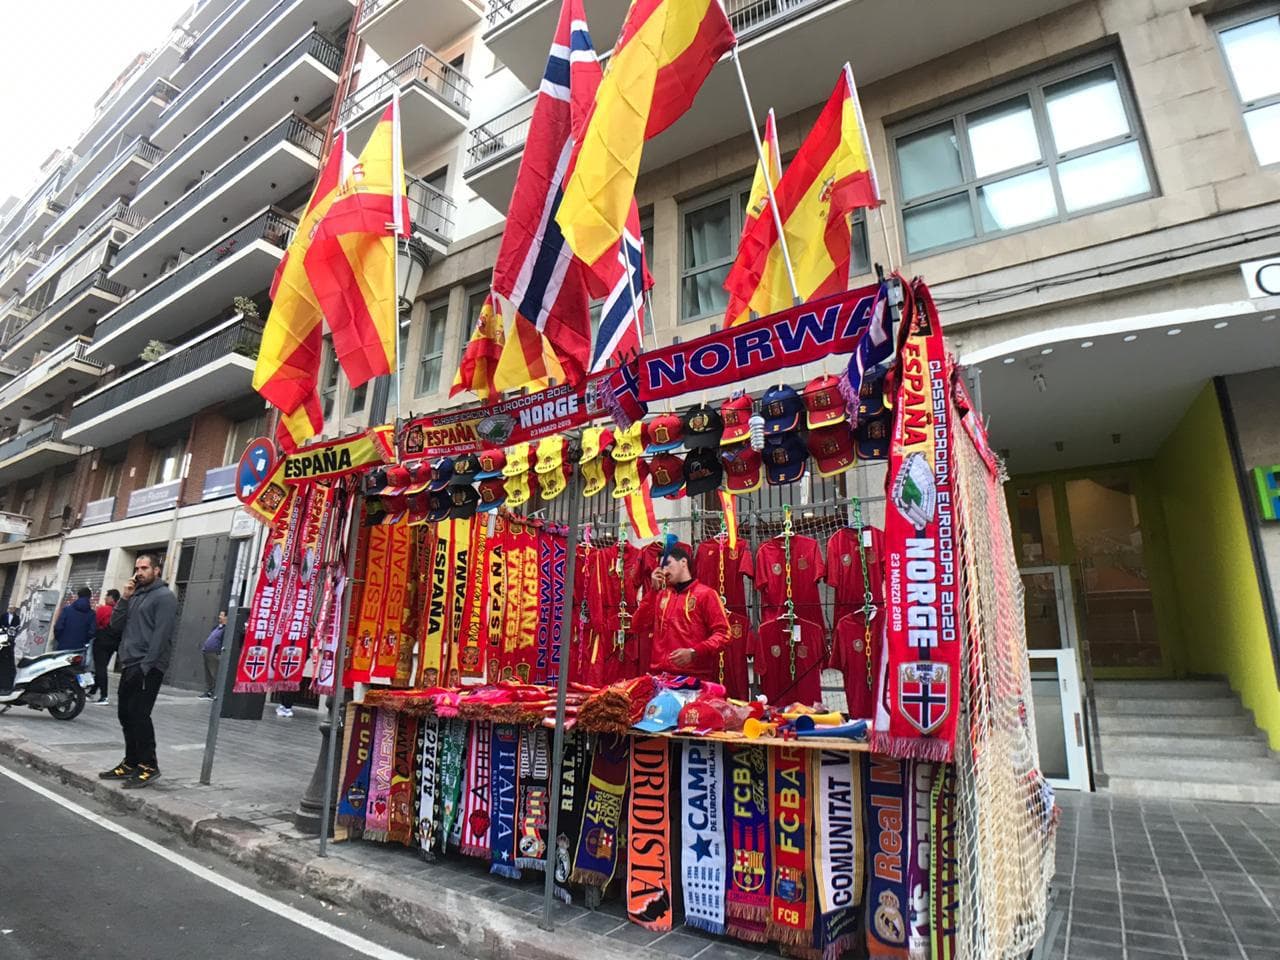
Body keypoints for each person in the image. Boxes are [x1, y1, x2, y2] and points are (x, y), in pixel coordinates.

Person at [99, 554, 177, 789]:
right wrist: (124, 597)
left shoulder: (165, 597)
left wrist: (146, 666)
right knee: (125, 714)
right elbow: (115, 625)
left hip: (148, 666)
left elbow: (161, 635)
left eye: (145, 568)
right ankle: (131, 762)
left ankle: (149, 766)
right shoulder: (135, 595)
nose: (140, 572)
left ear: (156, 570)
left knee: (139, 715)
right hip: (129, 662)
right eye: (137, 568)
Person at [634, 542, 731, 682]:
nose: (664, 571)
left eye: (668, 564)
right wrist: (653, 591)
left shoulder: (706, 594)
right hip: (661, 677)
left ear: (683, 562)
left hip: (694, 678)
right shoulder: (660, 595)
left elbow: (724, 634)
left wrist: (695, 652)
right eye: (661, 567)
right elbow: (637, 625)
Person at [90, 589, 121, 705]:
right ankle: (92, 691)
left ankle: (104, 696)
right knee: (102, 667)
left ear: (111, 598)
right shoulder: (119, 610)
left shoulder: (104, 609)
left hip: (101, 640)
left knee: (100, 668)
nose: (105, 598)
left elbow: (96, 623)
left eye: (107, 596)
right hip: (113, 643)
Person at [53, 587, 96, 653]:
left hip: (63, 646)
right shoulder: (91, 614)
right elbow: (92, 632)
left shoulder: (66, 610)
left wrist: (60, 639)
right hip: (79, 649)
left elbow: (58, 627)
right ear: (89, 597)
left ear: (78, 596)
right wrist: (84, 641)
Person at [200, 611, 226, 700]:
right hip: (207, 652)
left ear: (226, 617)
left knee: (214, 673)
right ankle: (208, 692)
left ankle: (214, 693)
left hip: (214, 653)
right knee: (208, 674)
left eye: (222, 615)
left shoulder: (225, 629)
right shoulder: (217, 627)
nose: (219, 616)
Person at [0, 605, 19, 695]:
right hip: (3, 641)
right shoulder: (3, 616)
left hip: (8, 643)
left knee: (7, 665)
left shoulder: (16, 618)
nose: (11, 610)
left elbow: (17, 628)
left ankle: (6, 686)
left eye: (13, 609)